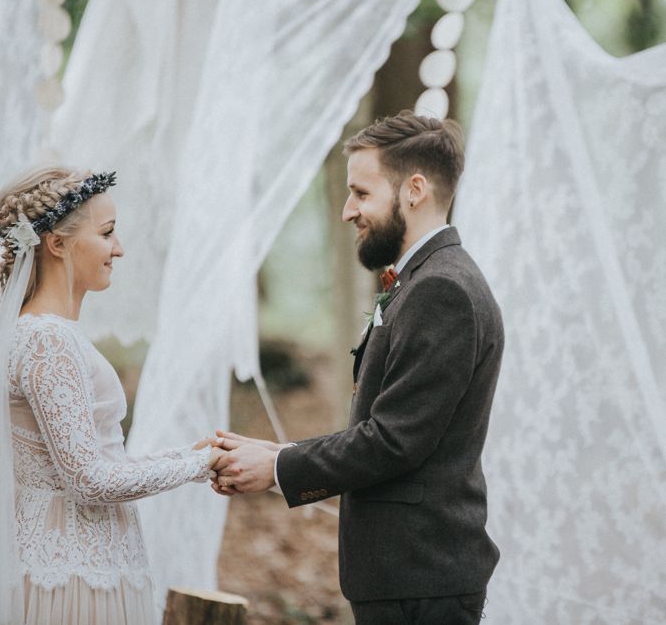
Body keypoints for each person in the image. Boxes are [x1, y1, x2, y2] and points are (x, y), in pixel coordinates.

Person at [212, 111, 504, 624]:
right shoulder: (423, 279)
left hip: (421, 579)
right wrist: (276, 452)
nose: (348, 211)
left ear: (414, 189)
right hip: (408, 576)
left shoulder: (442, 290)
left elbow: (394, 440)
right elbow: (390, 423)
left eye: (361, 193)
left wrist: (278, 469)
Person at [0, 166, 222, 625]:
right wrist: (199, 466)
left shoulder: (46, 334)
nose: (119, 248)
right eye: (107, 233)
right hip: (69, 579)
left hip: (80, 566)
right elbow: (88, 481)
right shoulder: (48, 340)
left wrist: (188, 456)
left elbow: (91, 461)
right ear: (57, 244)